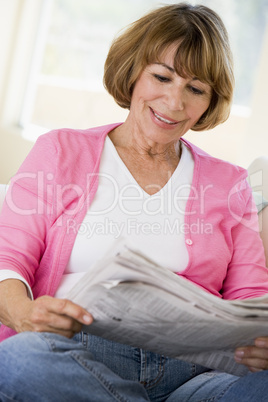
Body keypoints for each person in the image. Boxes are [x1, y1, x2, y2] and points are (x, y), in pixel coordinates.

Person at [0, 3, 268, 401]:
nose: (175, 102)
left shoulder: (229, 182)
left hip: (195, 373)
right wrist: (22, 313)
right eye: (162, 77)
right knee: (18, 360)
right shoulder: (60, 150)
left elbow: (250, 297)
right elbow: (8, 258)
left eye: (195, 89)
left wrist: (260, 342)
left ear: (210, 103)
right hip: (81, 354)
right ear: (133, 73)